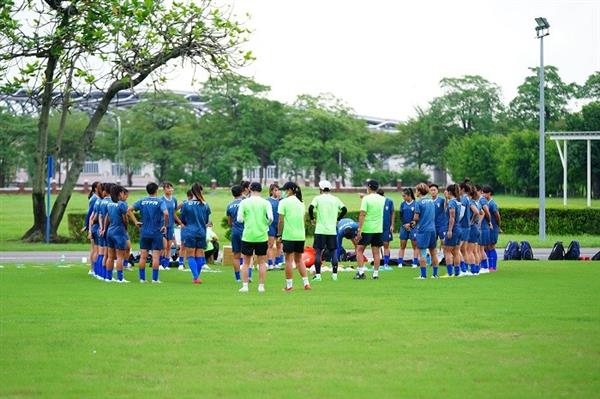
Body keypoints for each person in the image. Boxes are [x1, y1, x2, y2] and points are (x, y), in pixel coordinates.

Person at [236, 182, 273, 293]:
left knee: (246, 262)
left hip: (248, 235)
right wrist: (266, 224)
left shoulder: (244, 202)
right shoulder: (266, 202)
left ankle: (245, 285)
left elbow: (239, 219)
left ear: (250, 189)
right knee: (261, 262)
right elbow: (271, 218)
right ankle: (261, 286)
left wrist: (247, 219)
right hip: (261, 235)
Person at [130, 182, 169, 284]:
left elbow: (129, 210)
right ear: (157, 190)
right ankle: (155, 279)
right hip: (156, 232)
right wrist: (165, 225)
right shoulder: (160, 202)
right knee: (155, 256)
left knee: (143, 256)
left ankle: (142, 279)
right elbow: (166, 213)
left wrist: (135, 221)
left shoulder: (142, 201)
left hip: (144, 232)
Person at [309, 180, 347, 281]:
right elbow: (344, 209)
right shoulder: (335, 199)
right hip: (331, 231)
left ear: (321, 189)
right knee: (333, 252)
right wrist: (338, 219)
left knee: (318, 252)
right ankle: (334, 276)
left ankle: (318, 276)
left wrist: (312, 219)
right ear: (329, 188)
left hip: (320, 230)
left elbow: (310, 208)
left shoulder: (318, 198)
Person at [278, 182, 311, 291]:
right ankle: (306, 283)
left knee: (288, 260)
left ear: (290, 190)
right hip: (300, 236)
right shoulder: (301, 203)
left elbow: (281, 221)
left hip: (289, 235)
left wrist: (279, 234)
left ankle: (289, 285)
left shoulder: (283, 202)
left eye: (285, 190)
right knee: (299, 260)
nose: (283, 192)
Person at [179, 183, 211, 284]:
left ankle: (196, 277)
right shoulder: (205, 204)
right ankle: (196, 277)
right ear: (201, 191)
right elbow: (206, 220)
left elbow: (183, 219)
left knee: (191, 255)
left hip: (189, 232)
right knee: (200, 255)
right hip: (201, 232)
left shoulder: (186, 204)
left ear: (191, 192)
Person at [355, 180, 385, 280]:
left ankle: (361, 272)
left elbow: (362, 214)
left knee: (359, 250)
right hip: (378, 229)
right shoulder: (382, 199)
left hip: (367, 229)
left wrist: (359, 229)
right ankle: (375, 274)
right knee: (376, 252)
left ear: (368, 187)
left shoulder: (366, 199)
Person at [412, 183, 439, 279]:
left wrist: (411, 224)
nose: (415, 192)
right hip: (432, 229)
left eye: (416, 190)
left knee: (422, 253)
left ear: (419, 191)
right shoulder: (432, 201)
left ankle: (423, 275)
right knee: (433, 253)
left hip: (423, 230)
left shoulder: (418, 203)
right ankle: (435, 274)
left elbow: (416, 218)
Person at [104, 184, 130, 283]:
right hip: (119, 231)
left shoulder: (109, 203)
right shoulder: (122, 204)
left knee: (110, 256)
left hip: (110, 231)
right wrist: (126, 228)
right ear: (120, 193)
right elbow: (125, 219)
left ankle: (108, 277)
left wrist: (105, 229)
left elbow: (108, 218)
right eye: (123, 193)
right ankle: (120, 278)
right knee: (120, 256)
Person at [161, 181, 183, 271]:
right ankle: (160, 264)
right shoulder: (160, 200)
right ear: (164, 189)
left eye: (171, 187)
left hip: (171, 225)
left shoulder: (174, 200)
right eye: (168, 187)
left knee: (169, 246)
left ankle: (166, 265)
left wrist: (180, 222)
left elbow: (174, 213)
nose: (170, 189)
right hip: (162, 226)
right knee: (163, 246)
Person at [443, 184, 462, 277]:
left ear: (449, 192)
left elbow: (452, 217)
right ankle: (457, 272)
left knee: (447, 251)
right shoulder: (458, 202)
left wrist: (450, 230)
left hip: (453, 229)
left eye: (446, 191)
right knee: (456, 251)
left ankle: (450, 273)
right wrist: (446, 198)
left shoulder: (452, 203)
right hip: (459, 228)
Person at [226, 185, 244, 282]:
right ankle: (248, 276)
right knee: (247, 255)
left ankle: (238, 278)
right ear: (242, 192)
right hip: (246, 231)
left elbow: (229, 222)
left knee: (236, 255)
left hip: (235, 231)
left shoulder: (230, 205)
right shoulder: (245, 203)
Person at [96, 183, 113, 280]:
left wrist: (101, 228)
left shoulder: (101, 201)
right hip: (108, 230)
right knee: (107, 254)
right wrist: (105, 229)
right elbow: (108, 217)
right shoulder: (110, 202)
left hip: (101, 229)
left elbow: (99, 216)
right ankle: (106, 275)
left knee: (101, 253)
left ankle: (99, 274)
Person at [398, 188, 418, 268]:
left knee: (415, 246)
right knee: (402, 245)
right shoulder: (403, 204)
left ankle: (415, 263)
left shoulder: (416, 204)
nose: (403, 197)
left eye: (404, 196)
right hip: (404, 227)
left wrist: (410, 224)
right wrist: (404, 225)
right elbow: (400, 216)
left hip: (413, 227)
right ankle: (400, 263)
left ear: (409, 195)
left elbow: (417, 217)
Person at [84, 181, 101, 276]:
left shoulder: (96, 198)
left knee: (95, 248)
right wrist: (87, 226)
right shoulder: (95, 199)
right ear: (95, 188)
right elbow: (90, 213)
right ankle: (92, 269)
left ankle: (94, 269)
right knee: (94, 248)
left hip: (93, 225)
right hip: (94, 226)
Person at [376, 188, 395, 271]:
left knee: (386, 244)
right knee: (378, 245)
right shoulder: (375, 202)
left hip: (386, 227)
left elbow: (392, 213)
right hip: (377, 227)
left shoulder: (389, 201)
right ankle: (380, 263)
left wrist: (392, 225)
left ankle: (386, 264)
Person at [483, 186, 500, 271]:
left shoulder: (492, 203)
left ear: (489, 193)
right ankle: (486, 266)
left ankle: (493, 267)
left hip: (493, 228)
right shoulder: (485, 202)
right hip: (487, 228)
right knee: (485, 247)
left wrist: (497, 225)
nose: (483, 194)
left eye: (484, 193)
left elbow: (497, 215)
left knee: (491, 246)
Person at [477, 185, 493, 274]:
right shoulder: (478, 200)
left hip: (483, 228)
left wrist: (489, 222)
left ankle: (484, 267)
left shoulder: (482, 199)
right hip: (481, 227)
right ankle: (482, 266)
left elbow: (486, 212)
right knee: (479, 248)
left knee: (480, 249)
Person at [176, 190, 194, 271]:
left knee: (192, 246)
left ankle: (189, 263)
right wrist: (179, 222)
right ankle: (180, 263)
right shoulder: (184, 203)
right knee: (183, 245)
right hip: (185, 226)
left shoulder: (196, 204)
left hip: (193, 226)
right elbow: (173, 211)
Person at [267, 184, 283, 270]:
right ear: (271, 191)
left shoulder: (282, 201)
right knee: (270, 244)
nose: (277, 192)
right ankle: (270, 263)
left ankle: (277, 262)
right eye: (275, 190)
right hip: (271, 225)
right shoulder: (268, 201)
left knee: (279, 244)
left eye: (278, 190)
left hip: (279, 225)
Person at [458, 182, 472, 276]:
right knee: (464, 250)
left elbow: (461, 213)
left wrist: (456, 221)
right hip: (467, 227)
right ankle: (467, 269)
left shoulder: (463, 199)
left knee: (457, 249)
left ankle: (463, 269)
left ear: (462, 189)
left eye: (458, 188)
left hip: (462, 226)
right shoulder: (468, 198)